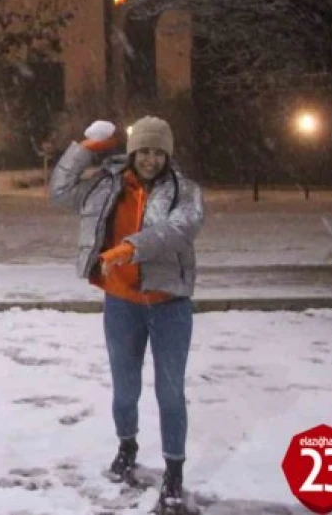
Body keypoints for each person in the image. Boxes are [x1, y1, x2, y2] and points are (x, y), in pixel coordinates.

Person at [49, 116, 204, 514]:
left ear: (167, 154)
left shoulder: (184, 192)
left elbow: (177, 230)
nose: (150, 159)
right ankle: (127, 447)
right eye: (144, 151)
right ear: (133, 152)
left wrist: (131, 248)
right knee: (125, 389)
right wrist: (84, 148)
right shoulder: (106, 185)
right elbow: (60, 191)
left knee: (170, 392)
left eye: (158, 152)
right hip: (121, 304)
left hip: (169, 305)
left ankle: (174, 472)